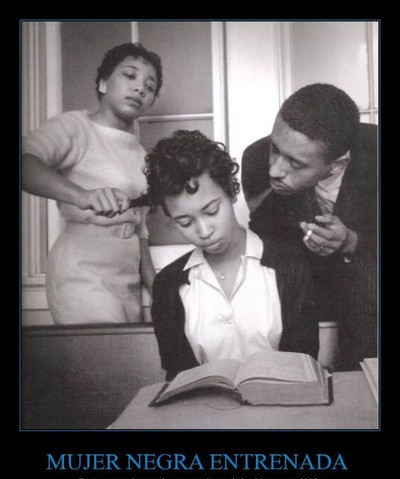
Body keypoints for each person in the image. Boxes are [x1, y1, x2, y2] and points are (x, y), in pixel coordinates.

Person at [144, 129, 319, 381]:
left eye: (212, 211)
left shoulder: (291, 266)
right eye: (184, 222)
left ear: (231, 192)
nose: (204, 231)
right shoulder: (168, 286)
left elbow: (304, 364)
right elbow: (178, 378)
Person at [22, 42, 163, 324]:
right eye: (130, 75)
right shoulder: (76, 126)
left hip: (126, 279)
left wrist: (156, 290)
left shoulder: (140, 153)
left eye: (150, 86)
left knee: (124, 352)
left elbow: (140, 231)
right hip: (81, 271)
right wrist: (82, 196)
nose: (140, 88)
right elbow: (25, 163)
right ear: (102, 83)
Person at [241, 83, 378, 370]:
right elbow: (267, 243)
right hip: (304, 299)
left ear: (337, 164)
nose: (274, 170)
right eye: (275, 149)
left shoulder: (374, 154)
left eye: (295, 163)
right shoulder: (254, 158)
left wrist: (352, 242)